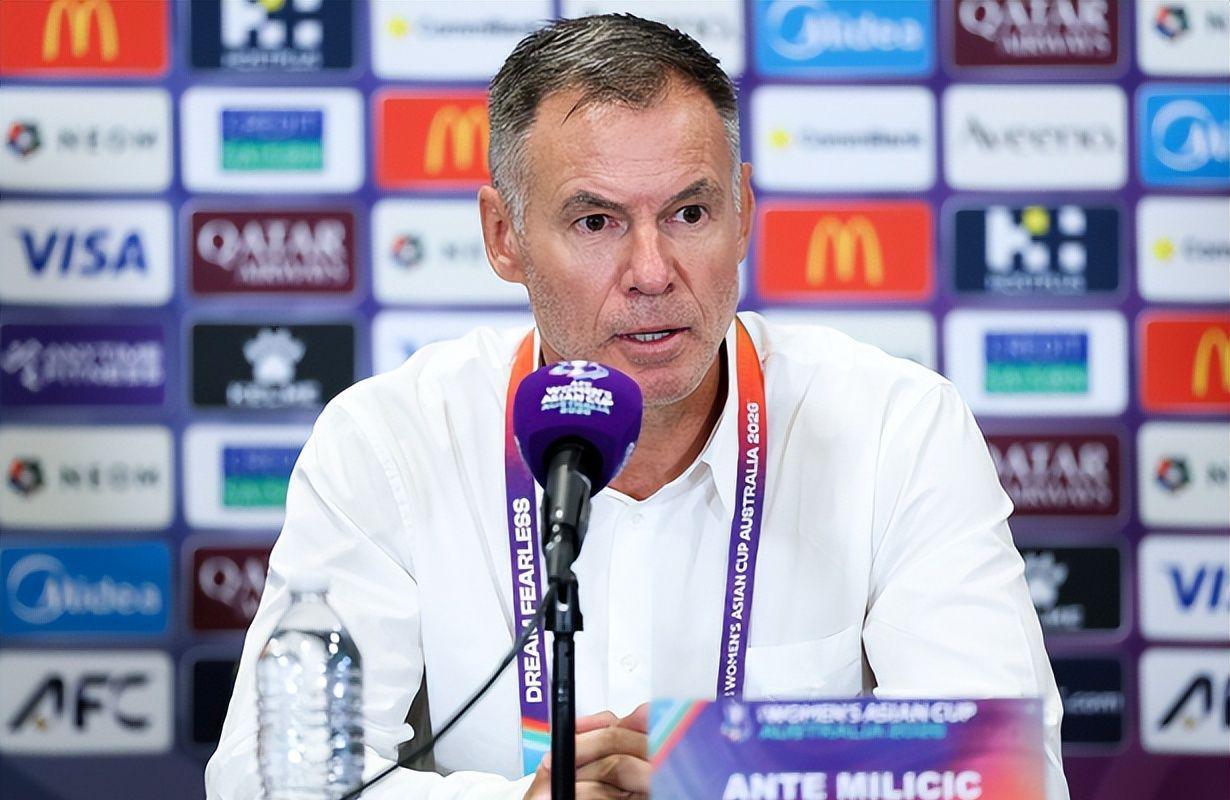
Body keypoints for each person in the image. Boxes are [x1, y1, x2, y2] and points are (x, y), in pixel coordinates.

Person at [206, 14, 1068, 800]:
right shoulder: (389, 443)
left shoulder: (896, 432)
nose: (653, 273)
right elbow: (271, 781)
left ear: (743, 214)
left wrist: (722, 781)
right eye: (596, 223)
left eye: (690, 212)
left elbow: (1004, 777)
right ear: (504, 237)